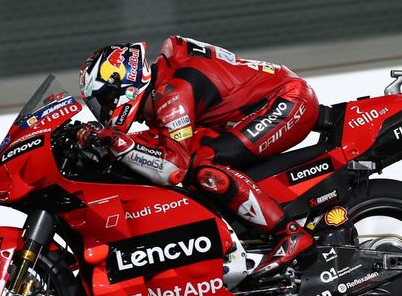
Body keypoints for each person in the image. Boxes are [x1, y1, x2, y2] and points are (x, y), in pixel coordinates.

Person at [78, 37, 319, 277]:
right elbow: (158, 146)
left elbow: (171, 169)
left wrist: (115, 142)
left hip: (288, 100)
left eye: (105, 100)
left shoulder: (172, 91)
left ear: (124, 85)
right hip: (253, 108)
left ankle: (289, 235)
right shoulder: (164, 84)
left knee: (204, 166)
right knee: (191, 164)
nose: (105, 110)